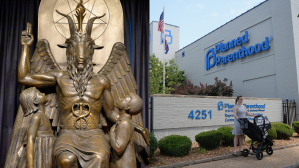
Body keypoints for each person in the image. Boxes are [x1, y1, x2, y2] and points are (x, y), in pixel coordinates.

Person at [19, 87, 56, 168]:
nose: (43, 94)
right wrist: (30, 165)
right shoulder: (36, 117)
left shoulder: (43, 115)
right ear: (35, 101)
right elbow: (30, 140)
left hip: (47, 150)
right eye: (39, 93)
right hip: (41, 150)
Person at [109, 93, 143, 168]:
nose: (120, 98)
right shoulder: (124, 121)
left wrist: (111, 133)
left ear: (127, 107)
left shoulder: (124, 123)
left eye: (124, 99)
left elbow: (118, 149)